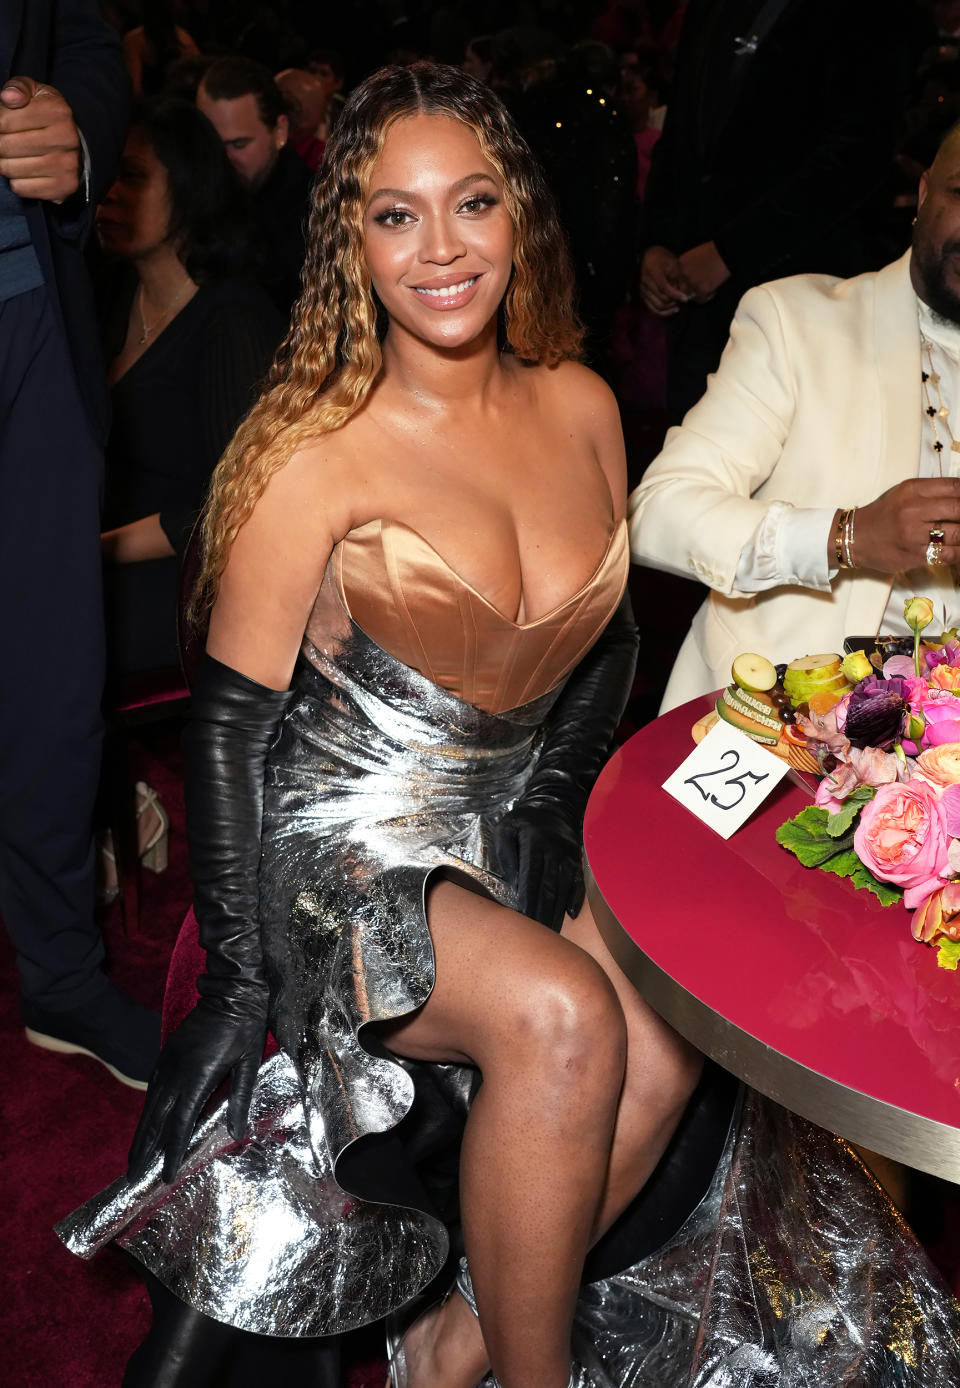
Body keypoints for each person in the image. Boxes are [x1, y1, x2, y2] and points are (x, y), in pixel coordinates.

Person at [59, 63, 960, 1388]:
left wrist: (554, 819)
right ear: (349, 243)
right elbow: (232, 728)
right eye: (395, 216)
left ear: (517, 214)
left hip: (514, 818)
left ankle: (457, 1344)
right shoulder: (315, 448)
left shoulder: (585, 407)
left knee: (665, 1024)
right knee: (561, 1015)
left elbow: (605, 660)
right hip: (345, 844)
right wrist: (239, 990)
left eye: (471, 203)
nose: (442, 251)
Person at [630, 120, 960, 712]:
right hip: (790, 724)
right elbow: (660, 511)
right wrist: (848, 537)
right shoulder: (797, 320)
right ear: (925, 192)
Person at [0, 0, 161, 1089]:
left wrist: (79, 132)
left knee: (56, 683)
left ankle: (60, 970)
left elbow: (86, 40)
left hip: (27, 314)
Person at [639, 0, 915, 422]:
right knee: (690, 463)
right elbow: (678, 138)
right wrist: (656, 242)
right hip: (694, 305)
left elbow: (856, 159)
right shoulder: (708, 7)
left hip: (801, 299)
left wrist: (730, 252)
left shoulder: (870, 12)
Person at [97, 98, 284, 678]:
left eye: (130, 175)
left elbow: (237, 508)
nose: (107, 193)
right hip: (102, 566)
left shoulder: (232, 320)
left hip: (180, 591)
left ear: (189, 187)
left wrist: (93, 550)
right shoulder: (108, 299)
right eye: (102, 173)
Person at [197, 56, 312, 314]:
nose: (223, 160)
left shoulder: (320, 218)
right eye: (212, 144)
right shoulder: (190, 197)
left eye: (239, 145)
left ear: (280, 131)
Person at [121, 0, 199, 98]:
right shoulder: (184, 38)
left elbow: (135, 89)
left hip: (169, 105)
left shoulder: (133, 40)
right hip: (168, 105)